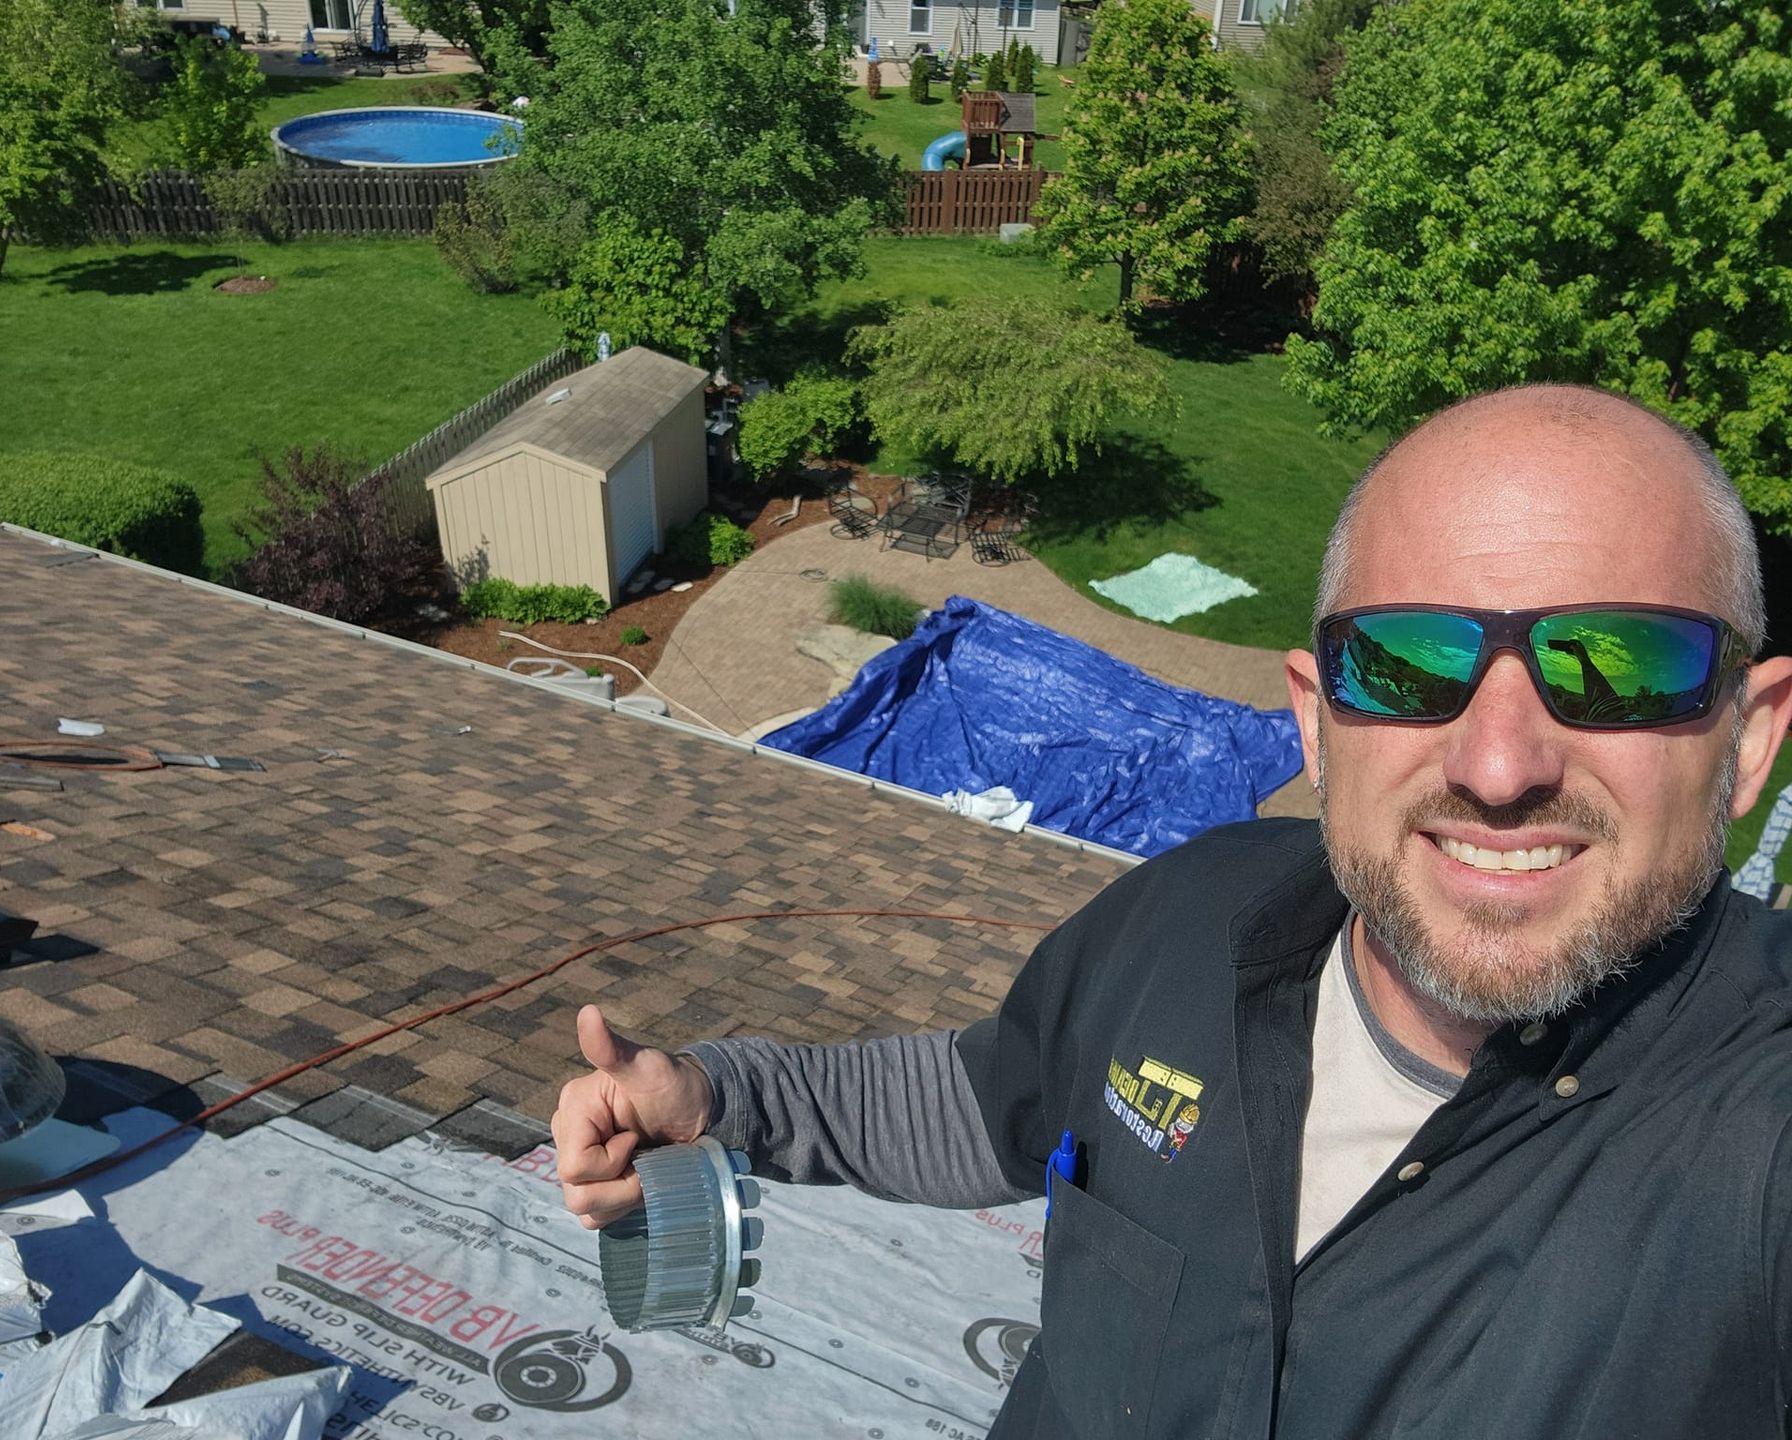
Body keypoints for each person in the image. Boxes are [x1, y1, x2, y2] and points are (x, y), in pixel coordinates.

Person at [551, 384, 1792, 1438]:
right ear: (1315, 718)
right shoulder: (1198, 913)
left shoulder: (1753, 1141)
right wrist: (726, 1101)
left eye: (1621, 667)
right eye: (1409, 665)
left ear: (1748, 739)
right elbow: (989, 1100)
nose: (1500, 762)